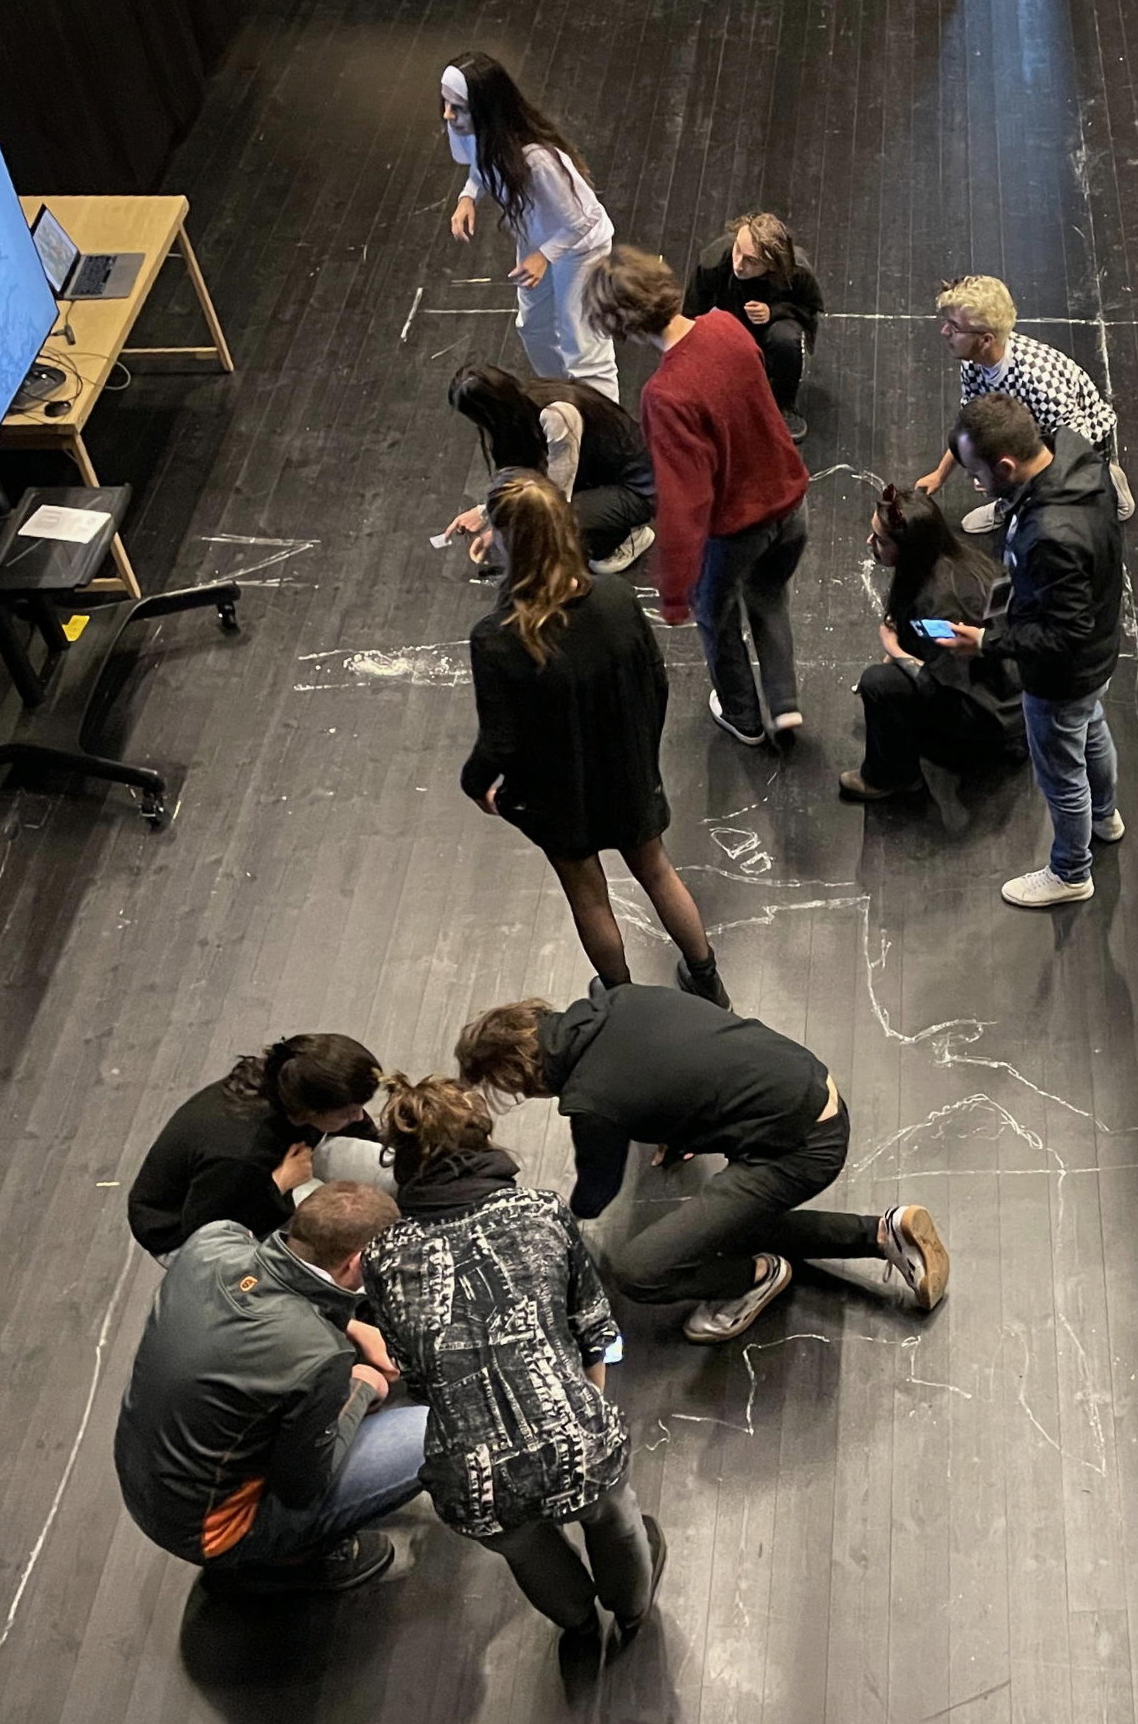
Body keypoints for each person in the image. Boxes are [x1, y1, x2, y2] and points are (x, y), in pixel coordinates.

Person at [455, 990, 951, 1343]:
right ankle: (883, 1233)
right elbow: (677, 1058)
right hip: (811, 1085)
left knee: (640, 1270)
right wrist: (677, 1128)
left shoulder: (591, 1102)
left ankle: (757, 1278)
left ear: (523, 1073)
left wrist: (551, 1228)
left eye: (514, 1088)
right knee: (716, 1224)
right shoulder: (619, 1000)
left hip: (800, 1147)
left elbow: (595, 1194)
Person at [363, 1077, 663, 1653]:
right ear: (482, 1136)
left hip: (471, 1474)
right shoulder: (540, 1212)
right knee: (613, 1518)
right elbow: (594, 1329)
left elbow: (414, 1375)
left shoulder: (383, 1255)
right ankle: (631, 1613)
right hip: (575, 1440)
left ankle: (577, 1626)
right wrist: (585, 1409)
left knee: (523, 1548)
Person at [463, 469, 727, 1007]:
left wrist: (475, 784)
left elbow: (500, 742)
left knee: (587, 895)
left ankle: (623, 1004)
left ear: (509, 541)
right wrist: (642, 753)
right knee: (656, 868)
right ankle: (708, 981)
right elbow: (656, 682)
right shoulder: (616, 598)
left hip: (559, 792)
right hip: (626, 767)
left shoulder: (496, 638)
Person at [113, 1183, 426, 1592]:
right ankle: (286, 1559)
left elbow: (269, 1288)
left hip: (146, 1482)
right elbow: (301, 1489)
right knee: (424, 1433)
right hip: (212, 1532)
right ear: (356, 1263)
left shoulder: (212, 1241)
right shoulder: (317, 1356)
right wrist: (361, 1386)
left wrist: (349, 1325)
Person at [583, 246, 811, 745]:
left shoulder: (665, 395)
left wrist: (675, 590)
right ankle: (784, 704)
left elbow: (684, 501)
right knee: (769, 594)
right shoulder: (726, 326)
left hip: (739, 529)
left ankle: (743, 716)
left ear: (621, 324)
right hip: (793, 504)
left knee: (716, 616)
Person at [936, 395, 1125, 907]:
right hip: (1100, 652)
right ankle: (1105, 816)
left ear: (1005, 466)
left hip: (1062, 675)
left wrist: (987, 642)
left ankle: (1070, 872)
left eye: (977, 473)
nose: (975, 484)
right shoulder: (1077, 456)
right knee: (1091, 728)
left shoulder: (1050, 536)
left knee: (1061, 776)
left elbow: (1063, 636)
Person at [441, 54, 617, 399]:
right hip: (538, 239)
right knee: (534, 328)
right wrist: (468, 196)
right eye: (446, 104)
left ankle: (605, 419)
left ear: (485, 109)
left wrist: (544, 256)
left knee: (583, 346)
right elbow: (481, 164)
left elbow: (583, 222)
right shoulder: (478, 132)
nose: (448, 114)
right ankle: (564, 398)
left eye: (458, 108)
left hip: (581, 248)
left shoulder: (538, 161)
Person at [839, 484, 1023, 802]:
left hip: (991, 716)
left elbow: (940, 684)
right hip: (1013, 689)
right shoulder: (965, 561)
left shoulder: (939, 605)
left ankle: (892, 777)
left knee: (878, 683)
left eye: (881, 540)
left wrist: (894, 650)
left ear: (908, 548)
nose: (870, 543)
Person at [126, 1034, 383, 1260]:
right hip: (186, 1230)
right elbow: (210, 1234)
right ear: (311, 1110)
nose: (359, 1117)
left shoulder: (290, 1077)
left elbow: (355, 1120)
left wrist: (379, 1143)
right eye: (349, 1112)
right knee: (336, 1231)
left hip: (258, 1174)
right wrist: (280, 1183)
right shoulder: (239, 1156)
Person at [915, 275, 1134, 533]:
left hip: (1081, 441)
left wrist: (1009, 481)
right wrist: (940, 475)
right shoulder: (973, 363)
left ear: (986, 340)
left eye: (954, 327)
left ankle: (1107, 479)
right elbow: (972, 425)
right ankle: (1012, 501)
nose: (944, 332)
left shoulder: (1038, 381)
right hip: (1026, 432)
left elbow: (1075, 447)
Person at [443, 364, 656, 573]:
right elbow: (530, 474)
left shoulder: (555, 416)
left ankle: (627, 540)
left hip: (641, 489)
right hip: (601, 472)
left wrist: (502, 533)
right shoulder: (523, 407)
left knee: (558, 520)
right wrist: (486, 513)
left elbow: (553, 499)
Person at [683, 212, 824, 441]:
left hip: (776, 324)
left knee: (785, 341)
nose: (739, 265)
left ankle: (783, 404)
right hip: (731, 321)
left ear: (772, 265)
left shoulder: (796, 271)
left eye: (752, 261)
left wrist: (773, 311)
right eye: (738, 249)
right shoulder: (715, 260)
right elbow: (691, 313)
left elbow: (810, 308)